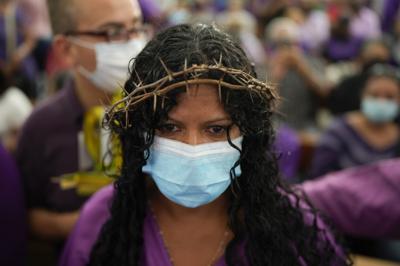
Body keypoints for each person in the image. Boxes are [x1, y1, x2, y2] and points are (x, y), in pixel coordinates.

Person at [60, 24, 349, 266]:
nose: (192, 148)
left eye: (216, 129)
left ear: (247, 132)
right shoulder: (102, 219)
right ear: (140, 130)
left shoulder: (290, 224)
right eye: (169, 127)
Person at [15, 0, 147, 261]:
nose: (133, 42)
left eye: (137, 27)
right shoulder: (41, 128)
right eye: (113, 32)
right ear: (66, 49)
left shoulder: (166, 117)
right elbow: (23, 217)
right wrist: (88, 222)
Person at [310, 64, 400, 178]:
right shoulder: (339, 131)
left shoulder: (397, 138)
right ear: (362, 96)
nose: (381, 102)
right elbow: (319, 179)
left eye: (389, 97)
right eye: (374, 95)